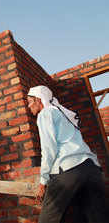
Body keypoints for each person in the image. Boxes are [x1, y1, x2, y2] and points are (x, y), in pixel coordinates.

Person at [27, 85, 108, 223]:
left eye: (29, 101)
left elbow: (49, 149)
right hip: (92, 169)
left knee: (48, 220)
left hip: (69, 170)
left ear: (39, 100)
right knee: (97, 218)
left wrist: (43, 180)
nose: (29, 106)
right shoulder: (64, 115)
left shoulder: (45, 114)